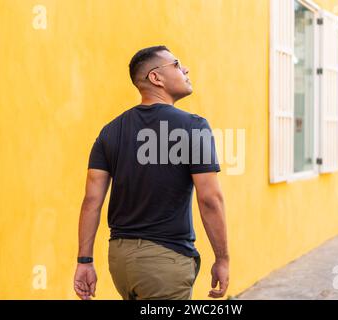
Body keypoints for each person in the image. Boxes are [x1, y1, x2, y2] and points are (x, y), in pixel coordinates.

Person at [73, 45, 229, 300]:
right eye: (177, 64)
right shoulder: (193, 126)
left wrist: (84, 261)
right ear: (156, 78)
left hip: (120, 261)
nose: (186, 69)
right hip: (164, 263)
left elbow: (92, 201)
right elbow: (210, 200)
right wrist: (222, 259)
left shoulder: (109, 131)